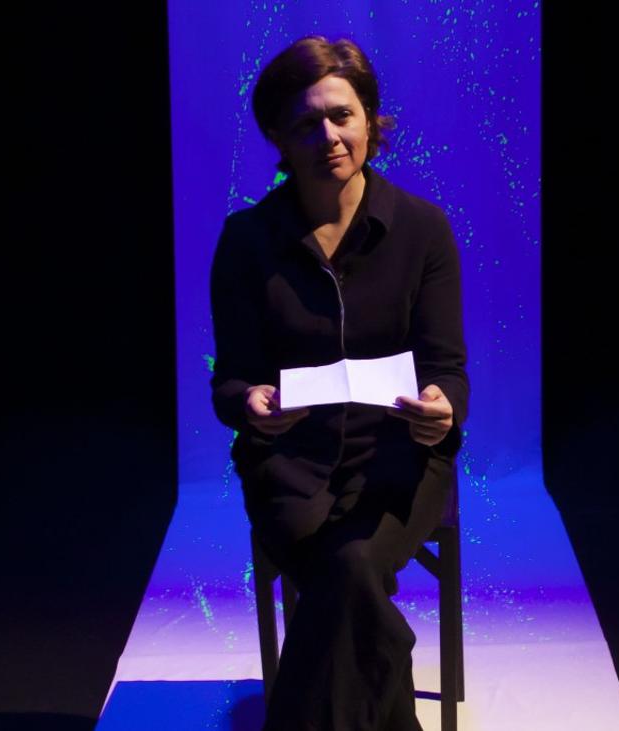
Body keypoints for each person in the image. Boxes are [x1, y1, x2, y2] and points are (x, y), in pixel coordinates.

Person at [207, 35, 469, 731]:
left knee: (349, 569)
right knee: (350, 575)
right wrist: (250, 404)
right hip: (291, 463)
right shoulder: (246, 241)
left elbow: (447, 368)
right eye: (306, 123)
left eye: (342, 116)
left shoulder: (423, 229)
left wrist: (442, 409)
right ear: (279, 137)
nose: (328, 136)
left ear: (370, 121)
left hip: (400, 459)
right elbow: (230, 381)